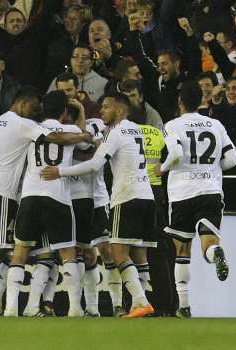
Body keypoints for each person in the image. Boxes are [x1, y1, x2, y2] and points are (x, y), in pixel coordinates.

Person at [0, 86, 92, 316]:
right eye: (33, 106)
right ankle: (72, 308)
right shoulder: (31, 126)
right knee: (11, 253)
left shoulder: (3, 119)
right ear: (22, 102)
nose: (35, 111)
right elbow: (73, 143)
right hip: (11, 192)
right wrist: (82, 129)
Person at [41, 92, 156, 318]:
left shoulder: (116, 132)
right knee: (133, 253)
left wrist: (60, 171)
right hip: (147, 196)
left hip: (127, 197)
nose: (101, 111)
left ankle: (141, 301)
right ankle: (136, 304)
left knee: (119, 253)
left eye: (106, 107)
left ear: (120, 110)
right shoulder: (136, 129)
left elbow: (95, 164)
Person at [156, 80, 236, 318]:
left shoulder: (172, 125)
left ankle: (184, 306)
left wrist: (162, 169)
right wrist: (212, 169)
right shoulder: (216, 124)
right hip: (210, 191)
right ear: (202, 100)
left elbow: (176, 154)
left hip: (182, 192)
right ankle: (216, 254)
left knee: (182, 249)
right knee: (208, 244)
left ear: (180, 102)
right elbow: (232, 160)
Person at [5, 91, 88, 317]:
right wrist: (80, 112)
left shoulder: (31, 130)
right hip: (57, 196)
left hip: (30, 195)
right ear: (64, 111)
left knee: (20, 252)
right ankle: (74, 308)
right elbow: (85, 144)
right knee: (67, 253)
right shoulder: (72, 130)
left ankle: (10, 308)